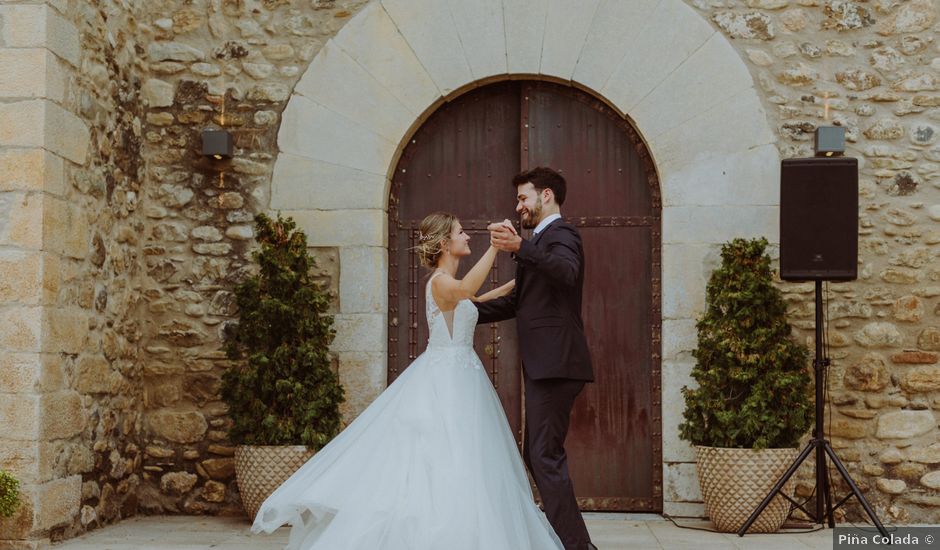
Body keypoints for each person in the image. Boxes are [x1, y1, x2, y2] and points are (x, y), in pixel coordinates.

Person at [250, 211, 563, 550]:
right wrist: (494, 248)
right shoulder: (441, 281)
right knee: (443, 454)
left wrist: (517, 285)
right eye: (461, 232)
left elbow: (473, 299)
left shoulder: (450, 285)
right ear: (445, 243)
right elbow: (465, 289)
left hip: (463, 376)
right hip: (445, 380)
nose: (467, 236)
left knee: (464, 455)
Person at [477, 167, 597, 550]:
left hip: (557, 363)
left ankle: (578, 547)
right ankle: (573, 542)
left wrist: (521, 249)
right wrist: (465, 310)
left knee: (543, 454)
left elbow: (566, 271)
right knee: (538, 453)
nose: (518, 206)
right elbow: (519, 302)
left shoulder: (561, 234)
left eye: (523, 198)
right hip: (548, 364)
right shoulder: (541, 240)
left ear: (546, 196)